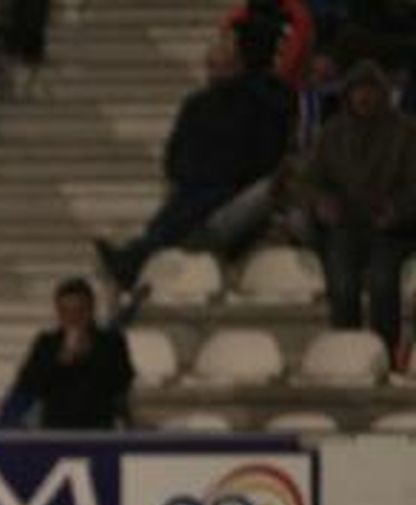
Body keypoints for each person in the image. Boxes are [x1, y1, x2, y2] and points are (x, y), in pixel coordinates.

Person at [93, 33, 291, 289]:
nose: (214, 72)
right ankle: (133, 260)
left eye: (222, 65)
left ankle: (130, 261)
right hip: (193, 185)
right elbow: (174, 152)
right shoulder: (196, 105)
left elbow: (263, 158)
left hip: (231, 188)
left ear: (238, 66)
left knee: (182, 215)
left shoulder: (257, 105)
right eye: (211, 65)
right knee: (172, 216)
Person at [302, 59, 416, 356]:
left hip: (391, 230)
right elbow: (311, 181)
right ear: (348, 94)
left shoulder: (406, 133)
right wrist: (321, 203)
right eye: (358, 90)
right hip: (346, 226)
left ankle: (385, 353)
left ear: (383, 93)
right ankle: (347, 353)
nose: (364, 97)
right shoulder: (331, 133)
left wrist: (397, 212)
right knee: (342, 287)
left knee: (382, 283)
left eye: (370, 90)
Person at [0, 277, 134, 429]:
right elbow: (29, 384)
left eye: (80, 310)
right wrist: (59, 361)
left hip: (98, 429)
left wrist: (90, 356)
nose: (73, 318)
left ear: (91, 310)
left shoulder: (111, 343)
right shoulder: (46, 343)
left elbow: (122, 382)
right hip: (56, 431)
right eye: (65, 311)